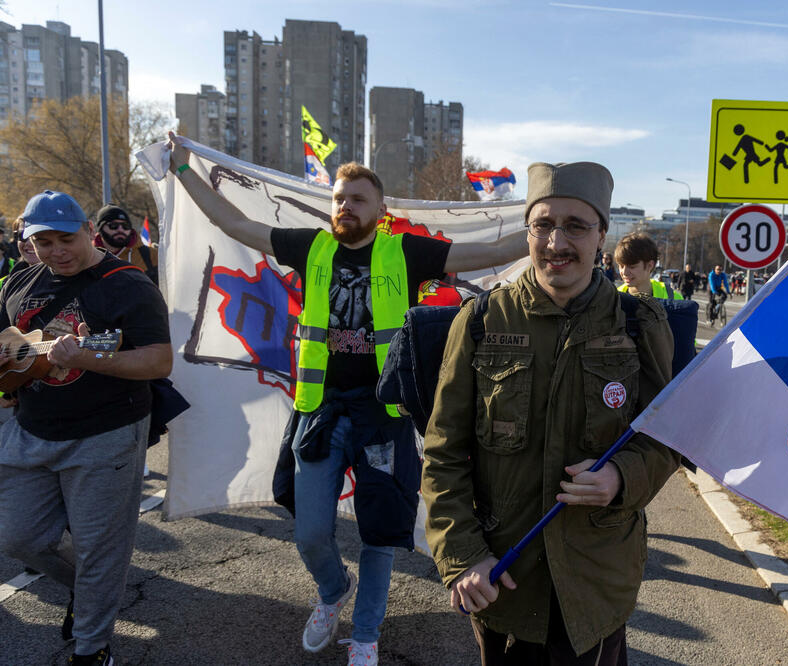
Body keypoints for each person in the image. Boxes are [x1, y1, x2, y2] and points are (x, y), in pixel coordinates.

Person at [166, 132, 527, 664]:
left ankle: (365, 634)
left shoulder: (403, 250)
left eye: (357, 199)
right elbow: (234, 224)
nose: (345, 206)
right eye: (339, 197)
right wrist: (182, 169)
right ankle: (333, 591)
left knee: (380, 534)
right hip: (322, 412)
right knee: (311, 532)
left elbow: (492, 250)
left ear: (380, 209)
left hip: (382, 418)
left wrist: (548, 229)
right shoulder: (311, 245)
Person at [422, 161, 680, 665]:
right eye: (543, 225)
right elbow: (443, 451)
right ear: (528, 232)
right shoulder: (479, 322)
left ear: (602, 236)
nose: (557, 242)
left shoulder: (639, 324)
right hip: (505, 578)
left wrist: (620, 479)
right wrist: (462, 556)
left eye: (576, 226)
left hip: (597, 581)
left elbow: (668, 438)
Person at [0, 190, 172, 665]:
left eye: (66, 239)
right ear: (29, 242)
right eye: (44, 242)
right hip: (31, 428)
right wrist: (9, 368)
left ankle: (92, 647)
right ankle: (94, 587)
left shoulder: (128, 284)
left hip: (107, 433)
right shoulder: (21, 281)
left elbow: (159, 360)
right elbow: (6, 337)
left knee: (100, 549)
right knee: (19, 539)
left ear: (87, 232)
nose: (57, 251)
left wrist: (90, 356)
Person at [93, 204, 159, 286]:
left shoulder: (151, 255)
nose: (120, 229)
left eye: (125, 226)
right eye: (114, 225)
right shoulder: (88, 256)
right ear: (100, 228)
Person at [613, 232, 680, 300]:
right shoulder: (613, 299)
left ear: (650, 265)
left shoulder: (674, 298)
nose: (624, 272)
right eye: (621, 266)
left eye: (632, 267)